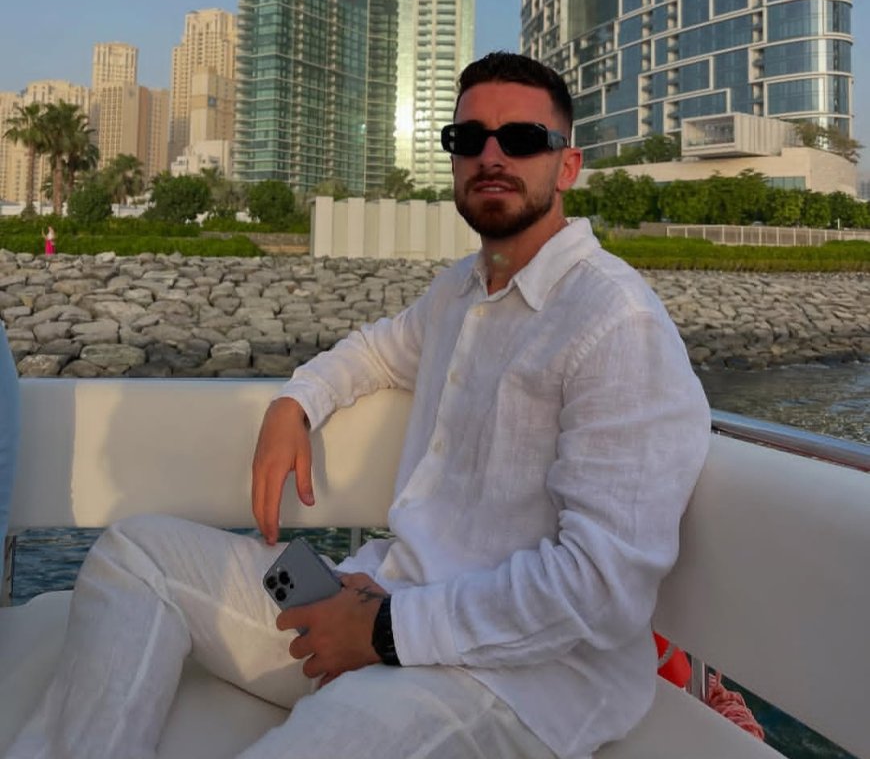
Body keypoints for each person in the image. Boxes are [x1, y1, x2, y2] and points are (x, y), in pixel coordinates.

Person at [6, 52, 711, 759]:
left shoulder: (615, 322)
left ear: (567, 166)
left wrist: (384, 630)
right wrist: (294, 403)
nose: (491, 157)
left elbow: (599, 587)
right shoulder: (463, 291)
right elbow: (375, 351)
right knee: (136, 556)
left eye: (522, 139)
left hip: (511, 680)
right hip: (379, 597)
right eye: (469, 139)